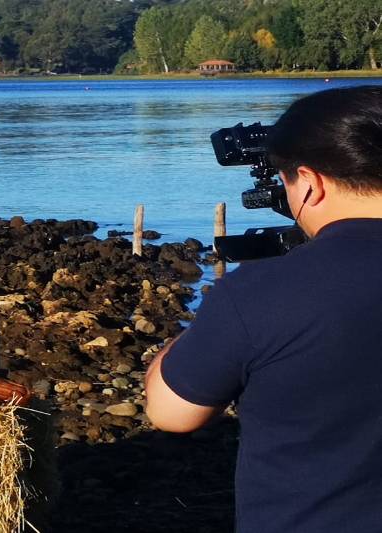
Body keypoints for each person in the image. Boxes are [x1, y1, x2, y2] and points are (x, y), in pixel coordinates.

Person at [145, 85, 382, 533]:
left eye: (285, 179)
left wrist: (216, 319)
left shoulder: (260, 293)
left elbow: (170, 413)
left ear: (310, 183)